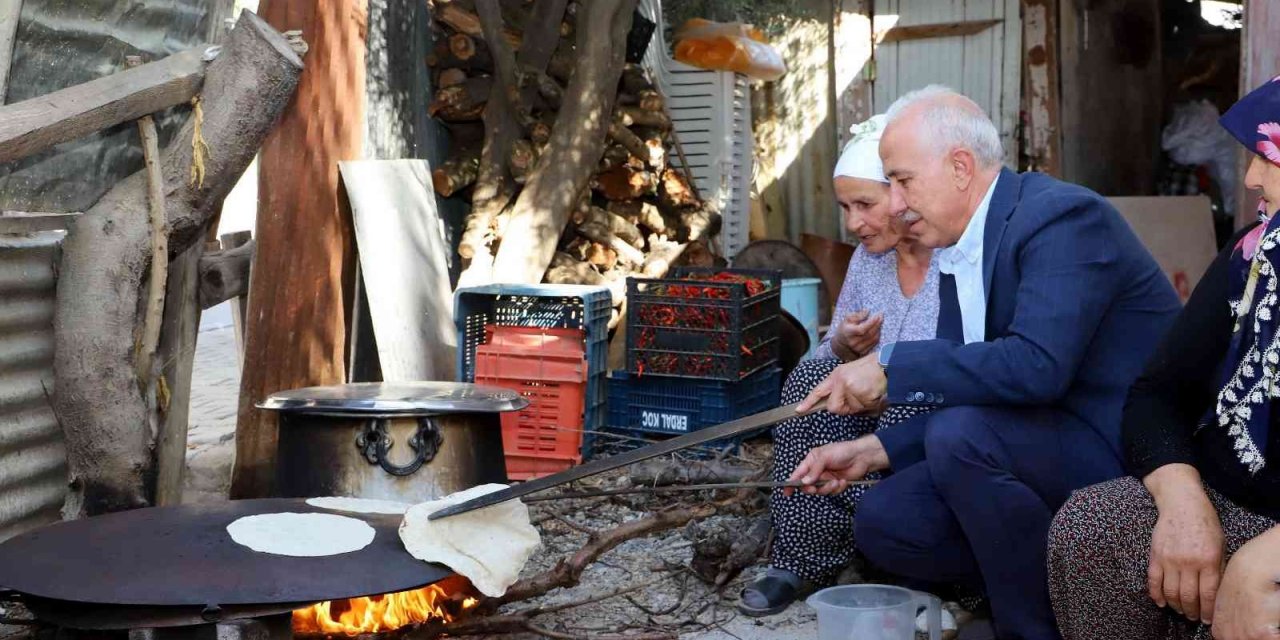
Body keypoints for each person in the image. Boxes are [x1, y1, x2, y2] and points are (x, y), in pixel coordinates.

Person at [786, 85, 1182, 640]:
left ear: (960, 167)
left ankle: (1029, 628)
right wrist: (871, 451)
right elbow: (976, 384)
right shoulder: (958, 246)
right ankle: (1036, 594)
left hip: (1128, 452)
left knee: (962, 435)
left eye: (902, 181)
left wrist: (891, 366)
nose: (894, 204)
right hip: (1041, 440)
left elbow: (1037, 367)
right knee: (887, 521)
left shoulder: (1062, 218)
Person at [1048, 79, 1280, 640]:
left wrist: (1263, 560)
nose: (1251, 178)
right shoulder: (1254, 256)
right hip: (1230, 500)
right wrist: (1183, 503)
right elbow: (1157, 395)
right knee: (1092, 529)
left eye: (1271, 158)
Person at [738, 114, 941, 616]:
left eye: (865, 205)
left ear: (903, 196)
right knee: (806, 382)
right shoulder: (868, 261)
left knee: (908, 406)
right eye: (845, 207)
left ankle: (899, 564)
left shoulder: (955, 259)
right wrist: (844, 345)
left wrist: (892, 374)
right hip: (863, 403)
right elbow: (828, 354)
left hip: (928, 407)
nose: (853, 223)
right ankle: (803, 555)